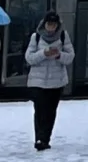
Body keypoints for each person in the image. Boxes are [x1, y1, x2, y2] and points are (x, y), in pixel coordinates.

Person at [24, 10, 75, 150]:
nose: (50, 27)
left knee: (50, 111)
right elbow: (29, 58)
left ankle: (45, 138)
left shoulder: (64, 36)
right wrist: (44, 53)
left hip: (56, 81)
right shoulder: (36, 37)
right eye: (48, 24)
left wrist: (59, 55)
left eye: (53, 25)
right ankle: (39, 138)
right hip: (38, 81)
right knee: (40, 109)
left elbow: (70, 57)